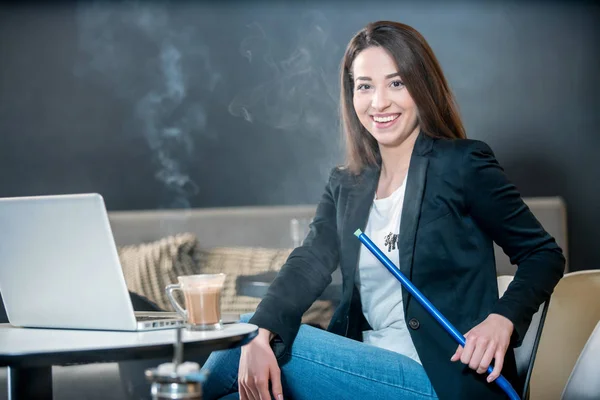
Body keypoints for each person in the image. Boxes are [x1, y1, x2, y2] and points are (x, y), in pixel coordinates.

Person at [201, 20, 565, 400]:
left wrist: (502, 320)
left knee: (241, 336)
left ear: (421, 87)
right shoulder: (346, 183)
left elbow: (543, 254)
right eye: (364, 86)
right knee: (242, 378)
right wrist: (264, 329)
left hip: (441, 380)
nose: (379, 103)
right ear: (351, 95)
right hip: (366, 366)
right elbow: (309, 261)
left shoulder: (462, 165)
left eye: (396, 83)